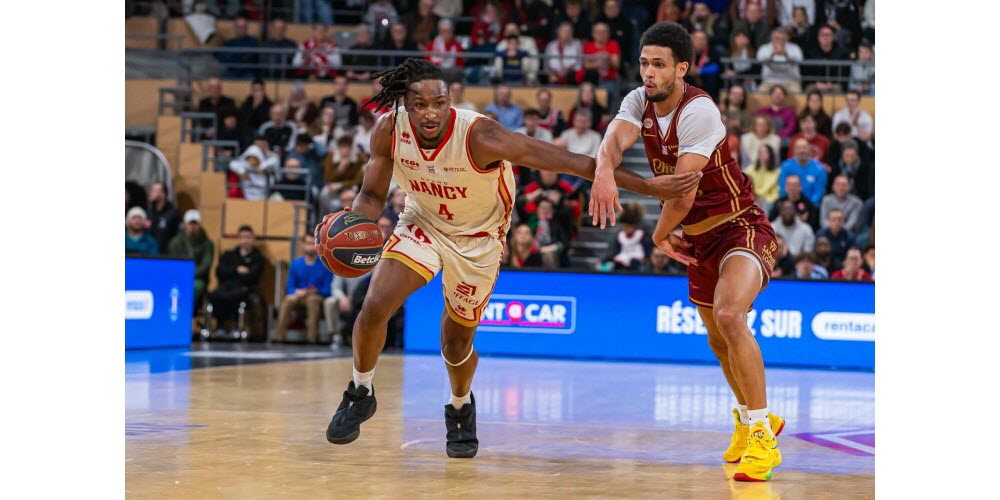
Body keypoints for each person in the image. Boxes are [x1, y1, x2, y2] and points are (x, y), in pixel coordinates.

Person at [320, 58, 702, 458]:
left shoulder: (481, 136)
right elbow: (372, 196)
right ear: (404, 104)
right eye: (419, 105)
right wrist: (352, 226)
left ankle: (460, 405)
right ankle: (360, 390)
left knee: (455, 343)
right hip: (423, 222)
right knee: (375, 305)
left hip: (479, 240)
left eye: (439, 103)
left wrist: (646, 186)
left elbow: (570, 161)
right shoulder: (388, 131)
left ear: (450, 101)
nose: (430, 113)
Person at [588, 23, 784, 482]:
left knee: (731, 317)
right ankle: (749, 419)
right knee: (717, 341)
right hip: (698, 241)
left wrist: (658, 236)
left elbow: (681, 192)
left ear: (682, 68)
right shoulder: (637, 101)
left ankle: (763, 436)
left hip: (739, 228)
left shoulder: (699, 111)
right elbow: (613, 142)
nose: (648, 73)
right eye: (644, 63)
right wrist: (602, 171)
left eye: (658, 65)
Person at [275, 236, 333, 343]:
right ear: (303, 245)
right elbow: (289, 287)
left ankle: (312, 338)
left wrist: (314, 291)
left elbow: (327, 289)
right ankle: (279, 337)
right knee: (288, 300)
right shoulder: (295, 264)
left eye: (313, 243)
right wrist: (296, 291)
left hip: (316, 295)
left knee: (312, 300)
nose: (310, 247)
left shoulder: (325, 264)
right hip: (299, 295)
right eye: (308, 243)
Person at [207, 225, 265, 333]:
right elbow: (219, 272)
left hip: (244, 287)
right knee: (214, 295)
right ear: (238, 239)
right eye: (242, 237)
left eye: (248, 237)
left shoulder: (258, 258)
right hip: (226, 286)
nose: (245, 240)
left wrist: (231, 273)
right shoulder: (229, 254)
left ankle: (236, 325)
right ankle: (220, 325)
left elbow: (252, 276)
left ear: (253, 239)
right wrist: (236, 270)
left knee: (236, 296)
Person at [168, 209, 215, 309]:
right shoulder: (176, 242)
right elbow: (173, 262)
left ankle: (189, 310)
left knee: (196, 286)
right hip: (178, 275)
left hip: (198, 277)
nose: (193, 226)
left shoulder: (207, 243)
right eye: (190, 224)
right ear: (185, 225)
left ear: (200, 225)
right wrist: (183, 274)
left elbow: (206, 264)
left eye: (195, 223)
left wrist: (190, 274)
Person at [778, 138, 827, 204]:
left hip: (810, 205)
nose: (801, 151)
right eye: (798, 148)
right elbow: (782, 189)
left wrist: (808, 206)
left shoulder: (820, 169)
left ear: (809, 150)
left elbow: (818, 192)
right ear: (794, 150)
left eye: (804, 148)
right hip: (789, 204)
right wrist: (789, 205)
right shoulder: (785, 166)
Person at [756, 28, 803, 92]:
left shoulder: (794, 47)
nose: (780, 41)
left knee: (796, 92)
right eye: (777, 38)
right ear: (772, 38)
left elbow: (799, 59)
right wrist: (772, 53)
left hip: (791, 81)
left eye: (783, 39)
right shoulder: (765, 47)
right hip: (769, 81)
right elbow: (759, 59)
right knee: (760, 93)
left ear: (787, 39)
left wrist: (785, 53)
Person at [145, 182, 181, 252]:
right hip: (149, 255)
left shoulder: (173, 214)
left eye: (154, 191)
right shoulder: (148, 213)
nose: (150, 193)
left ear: (163, 194)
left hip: (166, 255)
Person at [744, 144, 780, 211]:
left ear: (770, 154)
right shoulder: (750, 170)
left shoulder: (777, 172)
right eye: (760, 152)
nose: (762, 154)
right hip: (753, 199)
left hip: (768, 201)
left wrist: (766, 199)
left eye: (765, 152)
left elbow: (775, 193)